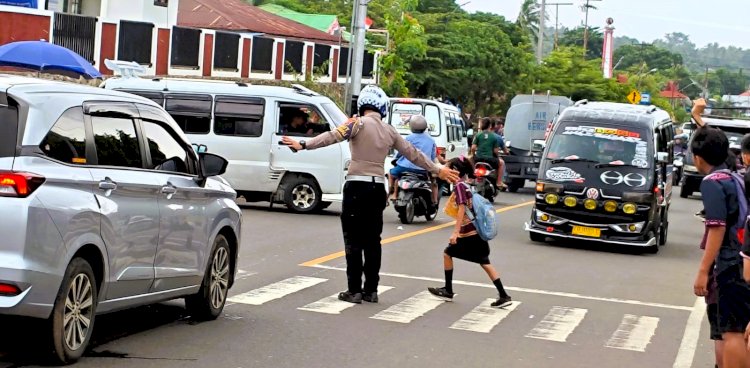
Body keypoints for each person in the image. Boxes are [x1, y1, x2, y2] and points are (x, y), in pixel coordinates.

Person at [282, 85, 459, 304]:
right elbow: (414, 154)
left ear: (362, 105)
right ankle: (371, 291)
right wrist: (438, 169)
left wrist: (304, 144)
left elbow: (331, 136)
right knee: (373, 241)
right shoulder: (390, 130)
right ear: (382, 108)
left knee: (353, 240)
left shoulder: (355, 123)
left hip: (356, 187)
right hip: (377, 189)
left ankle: (354, 290)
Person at [690, 126, 750, 368]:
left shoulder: (713, 182)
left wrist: (703, 271)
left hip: (730, 263)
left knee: (731, 331)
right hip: (744, 258)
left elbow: (717, 227)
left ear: (697, 158)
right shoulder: (737, 176)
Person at [427, 156, 512, 308]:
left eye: (448, 168)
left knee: (448, 253)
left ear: (455, 171)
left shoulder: (460, 186)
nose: (445, 171)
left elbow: (462, 209)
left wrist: (455, 232)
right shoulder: (466, 185)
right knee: (484, 261)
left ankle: (448, 290)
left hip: (470, 234)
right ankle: (504, 295)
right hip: (475, 233)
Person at [388, 115, 438, 203]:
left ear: (411, 126)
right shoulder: (431, 140)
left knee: (392, 175)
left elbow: (400, 152)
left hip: (405, 167)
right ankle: (434, 200)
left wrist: (396, 158)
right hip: (424, 169)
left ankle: (393, 194)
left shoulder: (408, 138)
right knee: (433, 181)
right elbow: (432, 157)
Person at [471, 118, 502, 188]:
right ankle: (499, 182)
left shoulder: (478, 135)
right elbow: (496, 151)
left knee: (470, 159)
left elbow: (473, 148)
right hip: (490, 160)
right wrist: (497, 156)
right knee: (501, 163)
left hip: (478, 159)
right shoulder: (493, 137)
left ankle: (471, 177)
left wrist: (474, 155)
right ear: (490, 126)